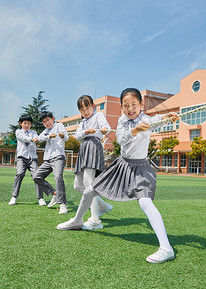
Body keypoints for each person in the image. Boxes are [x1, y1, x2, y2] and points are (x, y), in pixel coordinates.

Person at [57, 88, 178, 263]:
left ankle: (166, 248)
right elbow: (121, 139)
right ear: (121, 107)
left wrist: (169, 117)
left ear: (141, 104)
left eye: (134, 105)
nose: (130, 109)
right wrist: (135, 130)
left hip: (140, 168)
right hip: (121, 165)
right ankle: (77, 221)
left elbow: (158, 120)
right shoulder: (122, 120)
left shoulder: (146, 119)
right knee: (89, 191)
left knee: (145, 203)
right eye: (126, 106)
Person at [73, 95, 113, 230]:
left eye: (87, 107)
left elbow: (105, 127)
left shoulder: (98, 115)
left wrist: (103, 130)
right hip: (84, 148)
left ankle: (95, 219)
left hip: (93, 147)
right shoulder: (83, 122)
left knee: (89, 185)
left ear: (93, 106)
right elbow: (77, 135)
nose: (85, 111)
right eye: (82, 109)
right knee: (78, 185)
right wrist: (85, 131)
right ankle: (103, 206)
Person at [32, 111, 69, 214]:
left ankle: (62, 204)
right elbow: (39, 139)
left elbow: (66, 137)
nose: (47, 123)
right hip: (48, 159)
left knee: (58, 177)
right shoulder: (45, 131)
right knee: (36, 177)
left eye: (48, 120)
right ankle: (54, 193)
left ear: (52, 118)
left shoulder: (59, 125)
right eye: (44, 122)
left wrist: (61, 136)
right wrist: (48, 136)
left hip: (58, 157)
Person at [9, 114, 47, 206]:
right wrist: (32, 139)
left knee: (36, 176)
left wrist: (39, 139)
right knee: (20, 173)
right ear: (20, 123)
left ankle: (40, 198)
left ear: (31, 125)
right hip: (21, 157)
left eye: (29, 123)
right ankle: (14, 197)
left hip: (32, 158)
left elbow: (38, 139)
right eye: (24, 123)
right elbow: (24, 138)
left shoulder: (34, 132)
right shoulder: (18, 131)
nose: (26, 125)